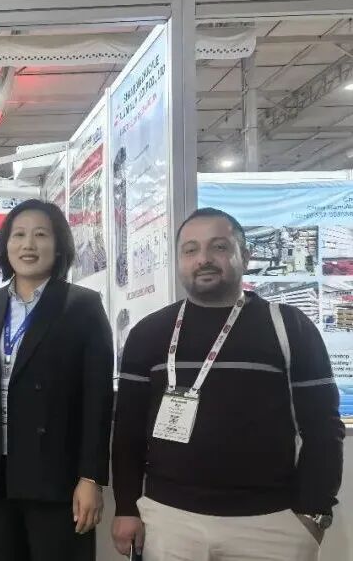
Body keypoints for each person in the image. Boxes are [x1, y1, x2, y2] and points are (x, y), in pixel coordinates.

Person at [111, 208, 344, 561]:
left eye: (218, 247)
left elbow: (323, 427)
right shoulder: (148, 334)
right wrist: (126, 506)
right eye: (190, 250)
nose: (203, 258)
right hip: (168, 522)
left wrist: (313, 513)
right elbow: (128, 430)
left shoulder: (289, 327)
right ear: (179, 261)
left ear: (245, 256)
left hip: (270, 525)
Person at [0, 199, 114, 561]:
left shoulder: (82, 305)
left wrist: (91, 478)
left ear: (59, 245)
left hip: (56, 476)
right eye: (18, 235)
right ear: (5, 245)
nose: (28, 245)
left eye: (41, 235)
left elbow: (97, 398)